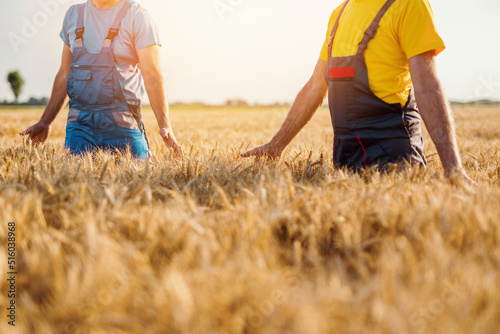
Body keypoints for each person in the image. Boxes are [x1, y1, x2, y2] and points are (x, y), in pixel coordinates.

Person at [242, 0, 474, 183]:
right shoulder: (339, 14)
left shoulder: (408, 4)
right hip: (345, 158)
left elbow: (427, 86)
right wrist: (276, 145)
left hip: (393, 155)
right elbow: (315, 86)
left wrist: (453, 167)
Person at [21, 0, 180, 160]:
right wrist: (45, 121)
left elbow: (152, 75)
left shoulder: (137, 16)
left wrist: (164, 125)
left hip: (124, 125)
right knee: (76, 181)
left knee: (135, 179)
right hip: (79, 127)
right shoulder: (73, 15)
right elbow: (65, 74)